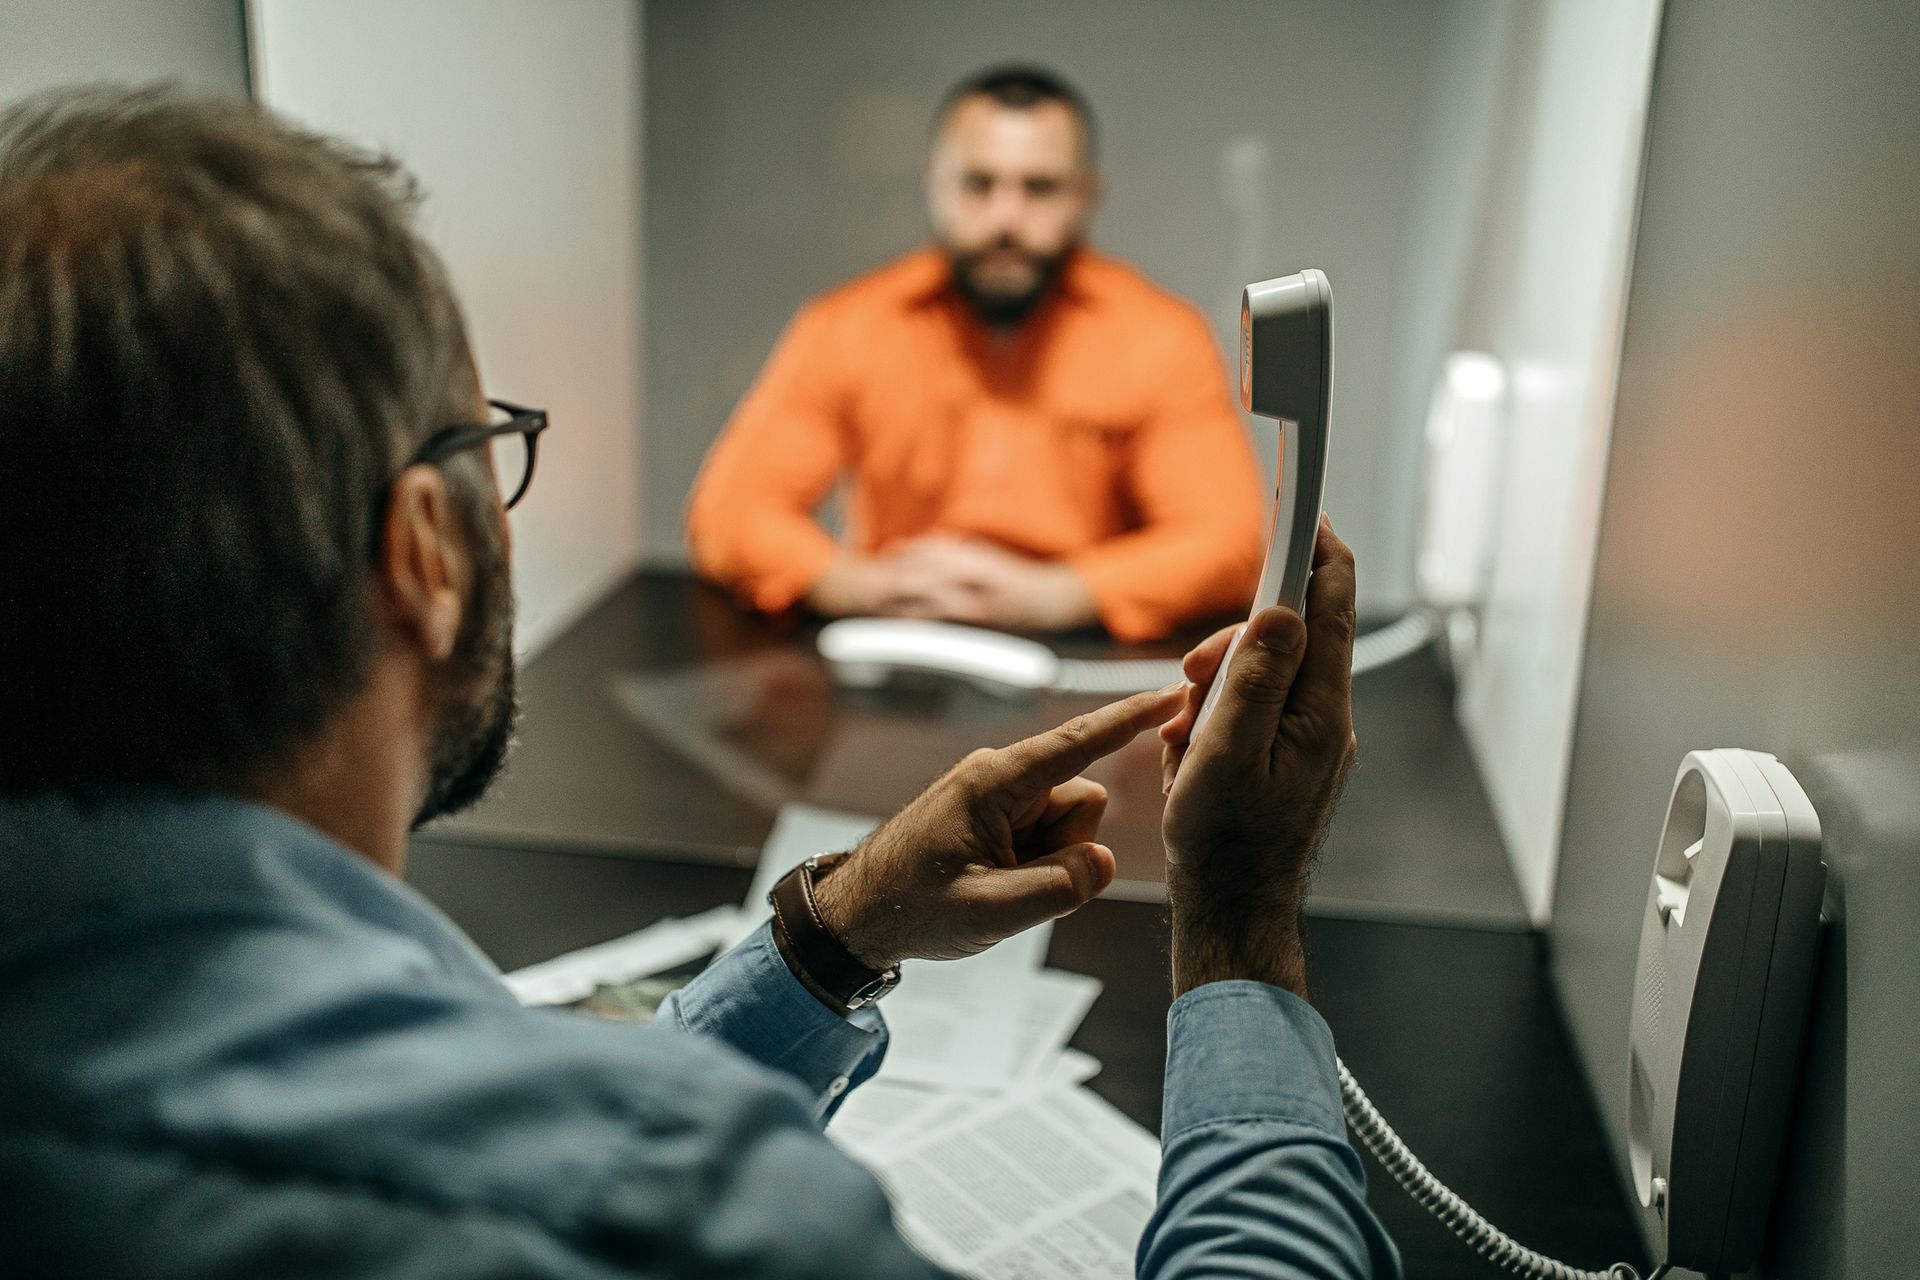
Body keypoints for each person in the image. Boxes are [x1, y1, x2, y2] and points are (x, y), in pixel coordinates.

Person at [0, 87, 1398, 1278]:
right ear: (426, 550)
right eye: (487, 443)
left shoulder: (1143, 333)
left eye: (1039, 184)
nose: (1009, 213)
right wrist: (1236, 918)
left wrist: (828, 938)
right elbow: (742, 508)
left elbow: (1211, 532)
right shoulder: (677, 1201)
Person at [684, 66, 1266, 642]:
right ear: (933, 183)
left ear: (1086, 196)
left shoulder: (1161, 336)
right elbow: (728, 512)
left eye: (1039, 188)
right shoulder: (847, 325)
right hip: (898, 640)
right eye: (977, 184)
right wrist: (852, 582)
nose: (1004, 219)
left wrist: (1057, 594)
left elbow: (1231, 543)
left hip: (1079, 660)